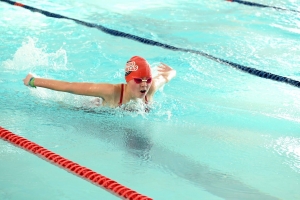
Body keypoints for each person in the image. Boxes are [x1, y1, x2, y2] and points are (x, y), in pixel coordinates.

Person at [23, 56, 176, 109]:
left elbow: (167, 76)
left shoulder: (151, 88)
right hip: (90, 108)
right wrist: (33, 81)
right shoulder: (111, 91)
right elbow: (69, 87)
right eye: (138, 80)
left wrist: (170, 71)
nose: (144, 85)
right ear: (128, 80)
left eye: (147, 80)